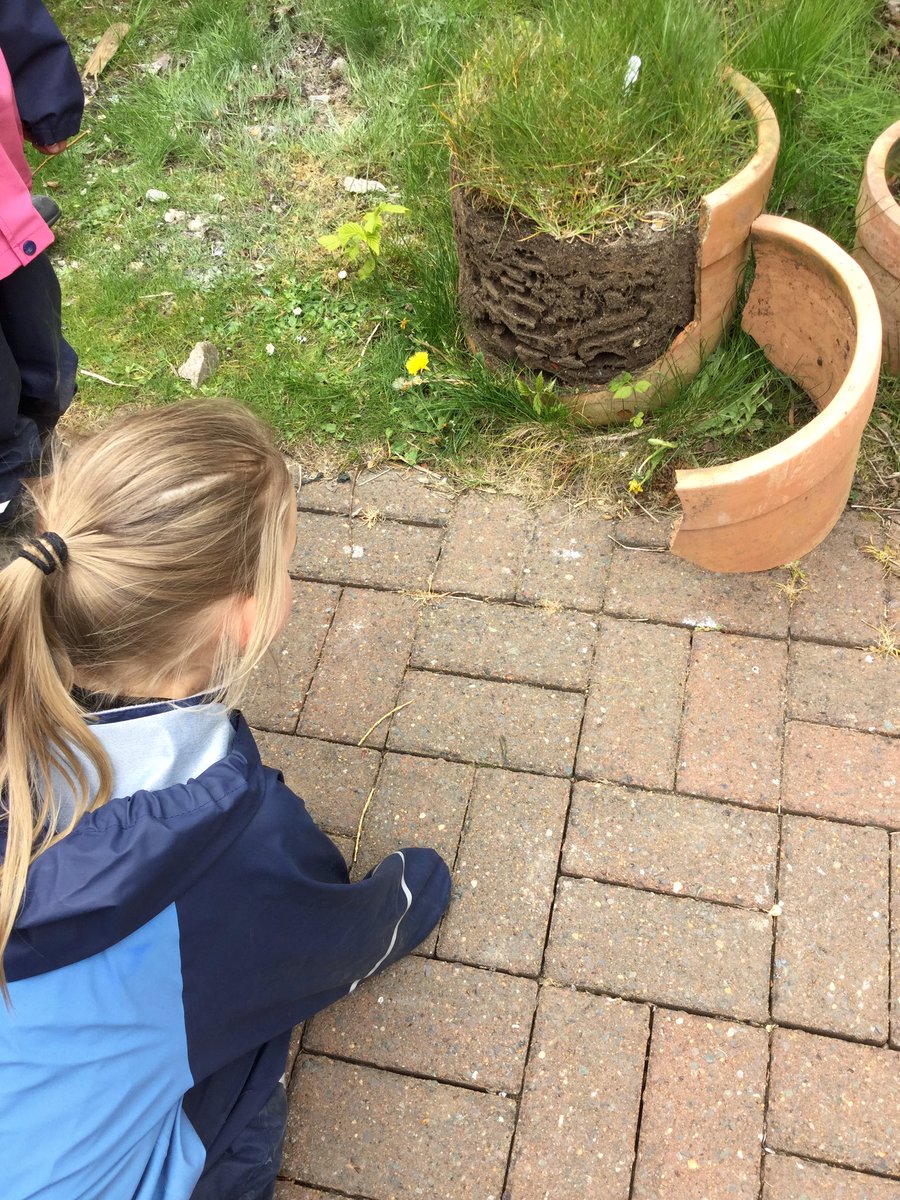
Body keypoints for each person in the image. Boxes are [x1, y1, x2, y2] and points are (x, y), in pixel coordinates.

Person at [0, 398, 452, 1200]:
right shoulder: (240, 841)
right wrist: (414, 892)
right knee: (245, 1051)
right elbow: (332, 943)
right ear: (247, 618)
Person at [0, 0, 84, 528]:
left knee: (42, 353)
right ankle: (10, 493)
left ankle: (38, 447)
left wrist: (46, 97)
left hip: (3, 209)